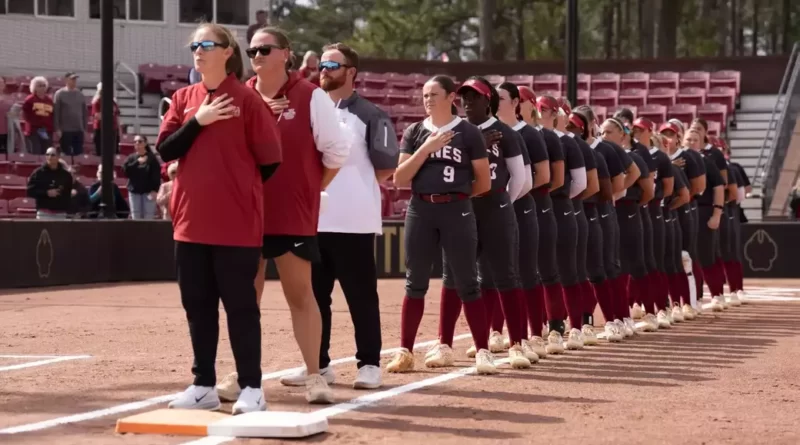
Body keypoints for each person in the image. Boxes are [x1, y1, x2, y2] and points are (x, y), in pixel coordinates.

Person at [218, 27, 349, 405]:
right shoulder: (239, 95)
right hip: (246, 212)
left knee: (300, 295)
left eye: (265, 49)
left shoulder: (310, 96)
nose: (256, 55)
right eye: (252, 50)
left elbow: (336, 153)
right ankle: (245, 376)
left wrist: (309, 189)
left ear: (285, 54)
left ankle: (314, 375)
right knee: (245, 297)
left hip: (291, 213)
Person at [156, 22, 282, 415]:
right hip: (190, 224)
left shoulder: (247, 100)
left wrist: (235, 190)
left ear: (228, 51)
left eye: (207, 43)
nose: (198, 49)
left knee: (241, 307)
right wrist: (200, 120)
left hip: (236, 226)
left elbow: (270, 161)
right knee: (198, 306)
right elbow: (165, 150)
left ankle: (252, 387)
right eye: (195, 44)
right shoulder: (183, 98)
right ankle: (203, 384)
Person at [285, 42, 398, 390]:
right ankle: (317, 365)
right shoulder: (307, 109)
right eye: (322, 64)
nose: (324, 70)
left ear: (352, 72)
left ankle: (369, 364)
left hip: (353, 221)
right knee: (313, 298)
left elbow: (385, 168)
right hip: (312, 221)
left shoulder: (370, 114)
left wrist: (351, 188)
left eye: (333, 65)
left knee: (361, 295)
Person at [383, 75, 494, 374]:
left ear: (450, 97)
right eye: (424, 94)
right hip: (421, 209)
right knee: (414, 282)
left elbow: (483, 182)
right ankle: (405, 351)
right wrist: (425, 150)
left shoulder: (468, 133)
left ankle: (483, 350)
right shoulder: (415, 132)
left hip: (456, 210)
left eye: (434, 94)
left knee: (467, 282)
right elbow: (399, 178)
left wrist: (457, 197)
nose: (428, 99)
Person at [430, 76, 531, 370]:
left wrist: (500, 203)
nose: (467, 103)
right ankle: (444, 345)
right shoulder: (455, 131)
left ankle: (516, 344)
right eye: (464, 98)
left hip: (495, 208)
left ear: (489, 101)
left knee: (506, 277)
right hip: (461, 210)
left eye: (474, 97)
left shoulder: (506, 133)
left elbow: (522, 180)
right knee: (453, 278)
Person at [496, 82, 550, 358]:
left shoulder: (529, 134)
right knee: (495, 272)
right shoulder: (487, 129)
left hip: (523, 206)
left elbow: (542, 175)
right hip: (494, 209)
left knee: (527, 270)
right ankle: (496, 331)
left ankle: (536, 334)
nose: (496, 101)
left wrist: (507, 197)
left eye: (501, 97)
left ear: (516, 102)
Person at [572, 106, 627, 341]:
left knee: (603, 267)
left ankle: (617, 319)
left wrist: (609, 198)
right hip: (573, 211)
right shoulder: (569, 146)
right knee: (574, 271)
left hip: (599, 210)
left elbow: (625, 179)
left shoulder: (604, 149)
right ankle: (582, 322)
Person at [538, 95, 587, 349]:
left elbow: (580, 183)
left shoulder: (568, 143)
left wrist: (560, 198)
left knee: (568, 270)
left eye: (545, 109)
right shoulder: (530, 136)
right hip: (536, 206)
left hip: (560, 205)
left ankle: (575, 326)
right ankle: (548, 325)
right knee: (539, 271)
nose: (541, 112)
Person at [600, 118, 653, 333]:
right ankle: (622, 312)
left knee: (637, 262)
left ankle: (649, 309)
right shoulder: (601, 154)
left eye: (609, 132)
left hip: (629, 210)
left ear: (622, 135)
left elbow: (648, 190)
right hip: (608, 210)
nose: (604, 136)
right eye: (602, 132)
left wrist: (620, 194)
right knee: (614, 262)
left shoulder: (634, 158)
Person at [559, 101, 599, 346]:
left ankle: (585, 318)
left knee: (579, 271)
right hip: (559, 211)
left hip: (582, 212)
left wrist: (567, 199)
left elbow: (592, 186)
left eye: (576, 126)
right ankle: (555, 320)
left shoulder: (585, 149)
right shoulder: (551, 140)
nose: (572, 129)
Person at [631, 117, 676, 327]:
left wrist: (654, 200)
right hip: (634, 209)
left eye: (641, 129)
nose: (637, 132)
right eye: (635, 129)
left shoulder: (658, 156)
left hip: (652, 208)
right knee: (632, 263)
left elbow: (667, 187)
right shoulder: (635, 151)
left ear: (649, 130)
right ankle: (635, 304)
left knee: (653, 260)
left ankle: (661, 306)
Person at [684, 128, 727, 311]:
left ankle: (717, 294)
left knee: (706, 255)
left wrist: (717, 213)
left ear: (702, 142)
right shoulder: (677, 161)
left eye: (695, 139)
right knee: (689, 256)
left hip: (704, 211)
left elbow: (719, 187)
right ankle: (696, 297)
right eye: (688, 139)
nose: (692, 142)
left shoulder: (706, 161)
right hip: (683, 211)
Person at [656, 127, 693, 319]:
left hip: (668, 219)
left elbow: (685, 195)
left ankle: (682, 303)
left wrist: (667, 208)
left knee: (672, 263)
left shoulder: (672, 167)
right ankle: (659, 305)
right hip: (652, 218)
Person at [26, 147, 73, 219]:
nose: (49, 157)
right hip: (43, 212)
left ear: (58, 156)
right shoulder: (38, 173)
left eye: (52, 155)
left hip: (60, 213)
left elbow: (68, 193)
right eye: (47, 155)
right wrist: (46, 193)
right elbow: (30, 191)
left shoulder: (66, 175)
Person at [123, 135, 162, 220]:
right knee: (135, 216)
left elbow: (156, 175)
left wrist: (155, 190)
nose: (137, 143)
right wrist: (137, 162)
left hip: (148, 192)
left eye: (140, 141)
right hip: (134, 191)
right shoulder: (131, 158)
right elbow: (126, 171)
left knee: (148, 217)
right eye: (135, 142)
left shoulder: (152, 158)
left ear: (145, 143)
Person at [53, 72, 88, 156]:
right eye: (72, 79)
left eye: (75, 79)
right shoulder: (59, 94)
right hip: (65, 130)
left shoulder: (80, 94)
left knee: (78, 153)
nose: (74, 81)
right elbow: (56, 112)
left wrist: (85, 128)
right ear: (66, 80)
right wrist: (57, 128)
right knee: (66, 153)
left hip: (78, 129)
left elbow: (84, 112)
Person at [21, 77, 54, 155]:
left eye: (44, 85)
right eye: (40, 86)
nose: (42, 88)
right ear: (34, 87)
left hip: (47, 131)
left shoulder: (49, 100)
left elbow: (52, 115)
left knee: (46, 153)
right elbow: (25, 115)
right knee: (36, 152)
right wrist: (36, 124)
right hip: (34, 131)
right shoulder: (29, 100)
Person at [91, 83, 120, 156]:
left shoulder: (113, 101)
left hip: (112, 128)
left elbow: (117, 115)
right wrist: (109, 113)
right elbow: (97, 116)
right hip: (100, 129)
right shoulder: (97, 102)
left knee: (113, 152)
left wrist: (119, 129)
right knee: (100, 152)